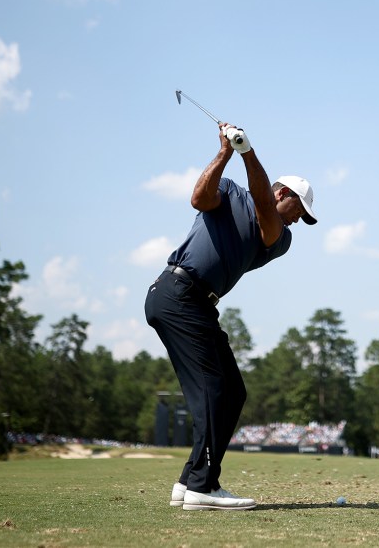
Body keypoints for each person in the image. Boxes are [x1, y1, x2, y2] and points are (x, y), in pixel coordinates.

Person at [145, 121, 317, 511]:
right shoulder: (228, 189)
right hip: (177, 293)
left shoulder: (279, 238)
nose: (296, 221)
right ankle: (202, 488)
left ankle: (191, 479)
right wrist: (226, 152)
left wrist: (248, 152)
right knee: (212, 389)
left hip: (197, 304)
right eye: (298, 210)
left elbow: (264, 208)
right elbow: (198, 199)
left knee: (232, 391)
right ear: (284, 193)